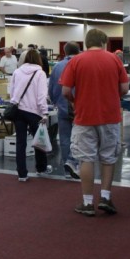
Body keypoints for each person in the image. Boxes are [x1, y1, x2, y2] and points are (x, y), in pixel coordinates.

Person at [59, 29, 129, 216]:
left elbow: (65, 91)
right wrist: (114, 97)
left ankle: (87, 202)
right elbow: (124, 87)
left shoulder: (76, 61)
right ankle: (105, 197)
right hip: (110, 116)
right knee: (108, 157)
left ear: (87, 42)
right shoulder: (115, 60)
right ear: (104, 42)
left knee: (86, 158)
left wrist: (75, 101)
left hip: (84, 117)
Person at [9, 49, 51, 182]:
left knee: (20, 143)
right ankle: (41, 168)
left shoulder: (17, 71)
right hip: (34, 112)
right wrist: (44, 112)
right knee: (39, 141)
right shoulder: (40, 73)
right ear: (38, 59)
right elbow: (41, 96)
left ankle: (22, 174)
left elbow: (12, 92)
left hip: (19, 111)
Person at [49, 42, 80, 179]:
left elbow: (52, 88)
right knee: (79, 137)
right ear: (79, 50)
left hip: (62, 105)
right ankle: (76, 164)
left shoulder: (57, 66)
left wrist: (56, 101)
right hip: (80, 107)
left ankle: (67, 168)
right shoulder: (82, 64)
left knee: (64, 138)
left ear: (64, 51)